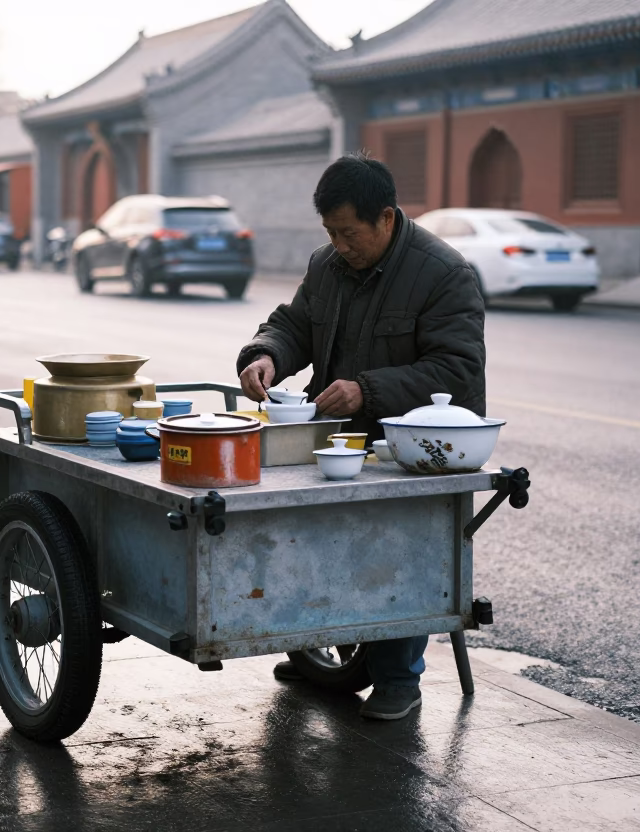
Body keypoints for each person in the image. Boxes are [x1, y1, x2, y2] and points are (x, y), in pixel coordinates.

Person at [236, 151, 486, 720]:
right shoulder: (328, 265)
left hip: (417, 452)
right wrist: (266, 355)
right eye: (331, 232)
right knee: (305, 535)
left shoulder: (443, 274)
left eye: (349, 233)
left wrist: (366, 391)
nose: (340, 244)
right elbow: (292, 324)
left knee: (395, 552)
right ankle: (314, 653)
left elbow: (457, 369)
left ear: (387, 219)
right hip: (340, 441)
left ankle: (399, 679)